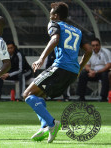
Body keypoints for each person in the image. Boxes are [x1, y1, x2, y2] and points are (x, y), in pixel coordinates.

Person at [22, 2, 92, 143]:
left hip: (60, 67)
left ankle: (52, 123)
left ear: (55, 15)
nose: (50, 17)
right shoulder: (77, 30)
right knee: (38, 96)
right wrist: (79, 68)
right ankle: (45, 127)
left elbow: (55, 39)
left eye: (51, 14)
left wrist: (41, 58)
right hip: (72, 72)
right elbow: (89, 50)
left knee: (27, 95)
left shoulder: (54, 24)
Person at [76, 38, 111, 102]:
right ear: (91, 46)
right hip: (92, 72)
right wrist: (90, 71)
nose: (95, 47)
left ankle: (103, 97)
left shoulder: (106, 52)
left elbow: (108, 65)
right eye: (93, 45)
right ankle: (81, 97)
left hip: (102, 72)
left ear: (100, 45)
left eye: (97, 45)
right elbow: (86, 65)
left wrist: (96, 72)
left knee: (105, 75)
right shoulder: (89, 53)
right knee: (83, 74)